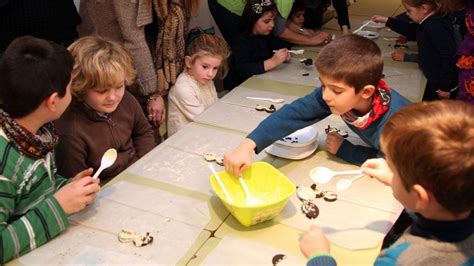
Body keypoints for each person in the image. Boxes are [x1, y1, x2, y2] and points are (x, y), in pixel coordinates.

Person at [300, 100, 474, 265]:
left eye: (393, 170)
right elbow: (432, 209)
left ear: (420, 196)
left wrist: (319, 256)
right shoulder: (458, 208)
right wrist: (395, 180)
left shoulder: (399, 261)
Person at [224, 34, 411, 177]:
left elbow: (395, 166)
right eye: (323, 85)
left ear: (366, 92)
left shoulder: (399, 124)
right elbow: (294, 114)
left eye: (336, 91)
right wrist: (247, 145)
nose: (325, 96)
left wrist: (347, 150)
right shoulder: (337, 95)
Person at [0, 36, 101, 263]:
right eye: (69, 87)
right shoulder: (4, 162)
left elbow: (33, 190)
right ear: (53, 101)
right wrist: (58, 206)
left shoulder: (37, 131)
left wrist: (68, 186)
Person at [55, 36, 156, 183]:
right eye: (102, 91)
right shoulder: (71, 131)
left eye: (119, 86)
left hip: (138, 171)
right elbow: (76, 182)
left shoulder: (127, 100)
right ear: (80, 87)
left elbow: (143, 132)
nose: (113, 97)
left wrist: (142, 165)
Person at [371, 0, 459, 100]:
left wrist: (445, 87)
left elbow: (450, 58)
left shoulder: (436, 27)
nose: (407, 14)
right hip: (434, 79)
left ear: (424, 9)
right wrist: (386, 20)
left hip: (442, 86)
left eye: (409, 10)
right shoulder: (428, 21)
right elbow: (412, 30)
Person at [167, 28, 230, 135]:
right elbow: (204, 119)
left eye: (215, 68)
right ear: (189, 62)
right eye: (205, 67)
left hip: (205, 132)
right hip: (185, 140)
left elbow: (215, 106)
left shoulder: (205, 79)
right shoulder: (183, 88)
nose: (210, 74)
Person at [224, 0, 292, 90]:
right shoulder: (239, 42)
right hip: (241, 89)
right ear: (252, 21)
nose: (272, 25)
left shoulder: (266, 35)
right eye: (267, 22)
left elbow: (279, 45)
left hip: (262, 83)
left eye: (273, 20)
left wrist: (284, 53)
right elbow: (242, 70)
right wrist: (271, 62)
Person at [208, 0, 332, 47]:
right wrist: (311, 40)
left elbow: (277, 18)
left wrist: (301, 31)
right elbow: (278, 29)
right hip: (226, 6)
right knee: (241, 49)